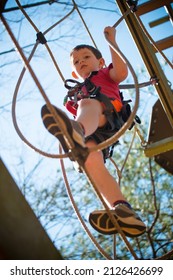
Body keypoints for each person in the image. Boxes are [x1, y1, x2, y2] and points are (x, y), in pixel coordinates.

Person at [41, 26, 146, 237]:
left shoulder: (105, 74)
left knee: (88, 104)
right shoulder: (76, 93)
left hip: (108, 115)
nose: (82, 62)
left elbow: (122, 72)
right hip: (93, 129)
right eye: (77, 62)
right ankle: (122, 209)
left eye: (86, 57)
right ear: (74, 73)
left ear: (99, 62)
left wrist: (111, 42)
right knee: (90, 159)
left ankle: (76, 131)